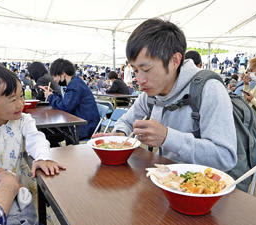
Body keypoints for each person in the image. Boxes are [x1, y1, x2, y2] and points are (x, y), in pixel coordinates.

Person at [93, 18, 237, 171]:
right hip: (166, 179)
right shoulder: (151, 94)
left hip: (204, 186)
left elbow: (225, 157)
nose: (139, 80)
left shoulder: (209, 89)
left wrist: (167, 137)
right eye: (135, 70)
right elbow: (127, 121)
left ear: (175, 60)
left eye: (146, 69)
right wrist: (119, 135)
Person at [0, 63, 66, 181]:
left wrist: (42, 158)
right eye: (13, 99)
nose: (21, 103)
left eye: (21, 96)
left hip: (17, 187)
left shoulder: (23, 121)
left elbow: (37, 139)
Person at [40, 58, 99, 141]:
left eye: (55, 76)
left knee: (49, 136)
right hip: (85, 124)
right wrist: (53, 93)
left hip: (85, 128)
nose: (54, 80)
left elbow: (65, 107)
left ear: (63, 74)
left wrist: (50, 96)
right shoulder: (76, 82)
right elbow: (66, 102)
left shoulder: (75, 85)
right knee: (52, 134)